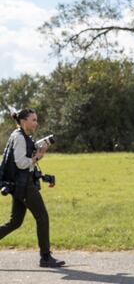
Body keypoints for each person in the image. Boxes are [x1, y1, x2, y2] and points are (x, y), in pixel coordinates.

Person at [0, 108, 65, 268]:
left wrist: (39, 149)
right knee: (42, 217)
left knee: (15, 222)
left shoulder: (22, 136)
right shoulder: (19, 137)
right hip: (24, 185)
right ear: (24, 121)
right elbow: (21, 163)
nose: (36, 123)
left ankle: (46, 257)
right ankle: (45, 257)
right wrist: (37, 157)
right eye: (33, 120)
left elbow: (25, 156)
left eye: (36, 119)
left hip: (19, 185)